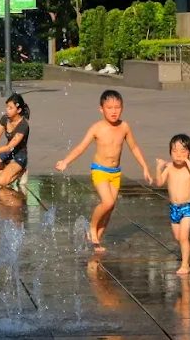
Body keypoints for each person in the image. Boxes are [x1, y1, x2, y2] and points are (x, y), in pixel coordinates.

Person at [54, 89, 152, 252]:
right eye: (109, 108)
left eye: (117, 107)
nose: (114, 111)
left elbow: (134, 147)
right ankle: (92, 228)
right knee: (108, 202)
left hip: (115, 172)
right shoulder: (97, 128)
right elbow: (81, 147)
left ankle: (96, 241)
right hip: (99, 170)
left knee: (110, 208)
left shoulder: (124, 127)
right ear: (101, 109)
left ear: (122, 108)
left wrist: (145, 167)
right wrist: (66, 161)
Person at [155, 134, 190, 274]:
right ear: (170, 152)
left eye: (183, 151)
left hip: (187, 208)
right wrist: (159, 168)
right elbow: (159, 183)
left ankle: (185, 265)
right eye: (174, 151)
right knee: (179, 238)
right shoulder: (169, 168)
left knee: (183, 237)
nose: (179, 155)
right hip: (174, 208)